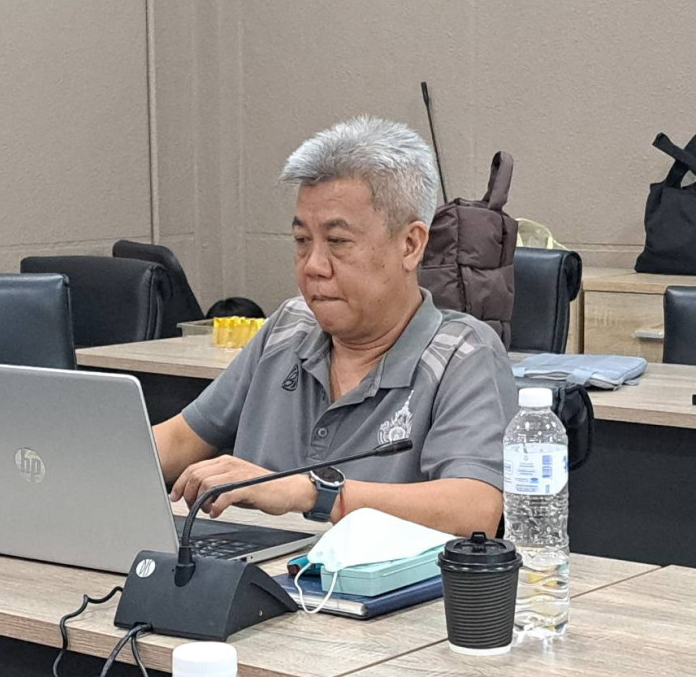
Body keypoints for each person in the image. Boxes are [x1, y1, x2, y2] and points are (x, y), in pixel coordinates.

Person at [153, 116, 518, 536]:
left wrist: (311, 492)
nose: (313, 266)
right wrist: (96, 457)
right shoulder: (289, 326)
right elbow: (181, 439)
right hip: (252, 568)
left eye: (338, 242)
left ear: (411, 245)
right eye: (301, 241)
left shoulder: (463, 353)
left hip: (379, 578)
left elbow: (474, 509)